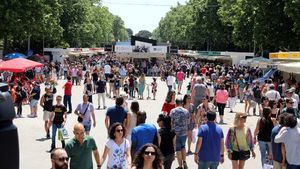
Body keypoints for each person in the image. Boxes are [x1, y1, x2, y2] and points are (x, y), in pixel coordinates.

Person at [170, 97, 189, 169]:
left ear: (176, 103)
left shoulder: (173, 111)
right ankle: (184, 161)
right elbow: (188, 121)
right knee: (183, 146)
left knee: (178, 149)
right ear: (182, 103)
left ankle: (180, 166)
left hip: (176, 133)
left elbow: (171, 121)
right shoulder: (186, 111)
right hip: (184, 132)